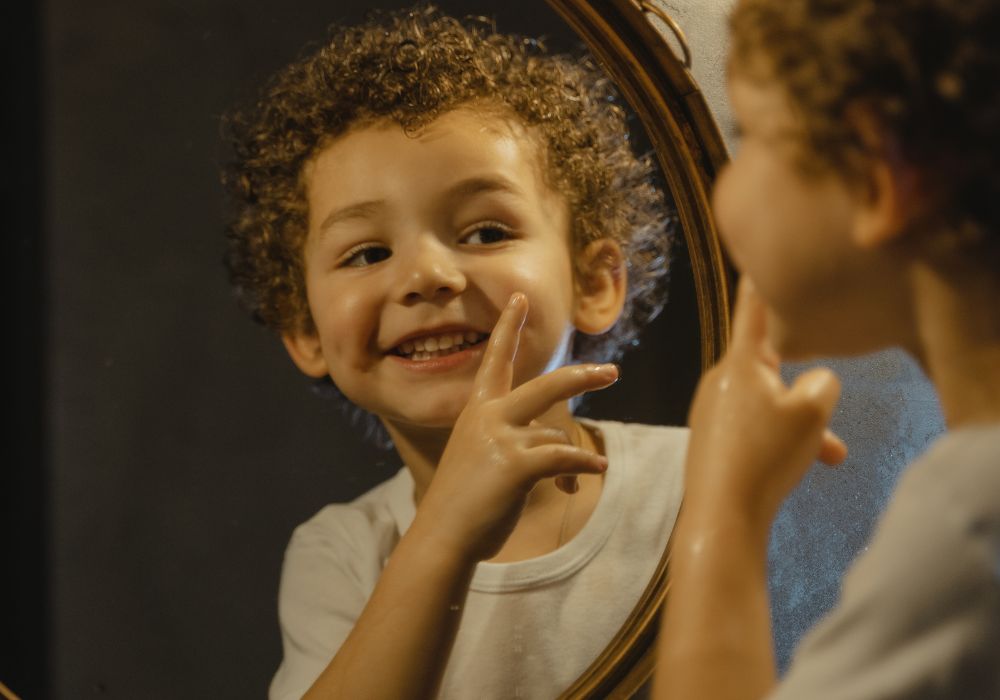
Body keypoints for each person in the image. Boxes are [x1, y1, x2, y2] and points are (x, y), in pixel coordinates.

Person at [222, 6, 685, 698]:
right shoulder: (345, 554)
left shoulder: (691, 482)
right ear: (307, 333)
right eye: (368, 252)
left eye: (486, 232)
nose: (428, 275)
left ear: (593, 283)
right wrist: (446, 531)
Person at [653, 0, 1000, 697]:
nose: (726, 185)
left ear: (876, 178)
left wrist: (727, 505)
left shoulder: (972, 516)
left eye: (746, 136)